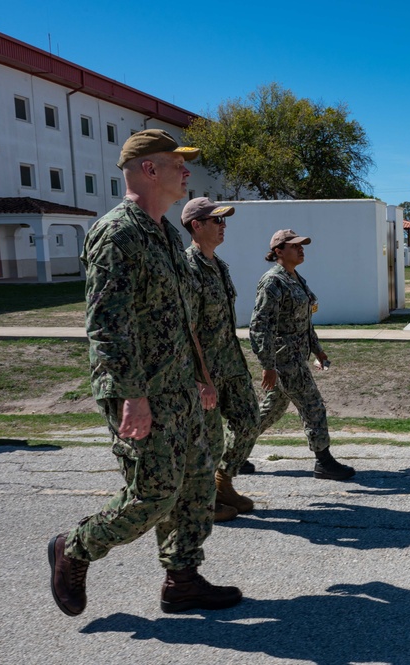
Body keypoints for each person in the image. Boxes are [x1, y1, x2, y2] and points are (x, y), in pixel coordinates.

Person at [47, 129, 241, 617]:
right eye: (177, 164)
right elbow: (106, 325)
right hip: (141, 392)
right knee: (153, 494)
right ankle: (74, 547)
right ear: (149, 170)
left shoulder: (167, 233)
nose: (186, 171)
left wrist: (201, 376)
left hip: (180, 386)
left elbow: (180, 316)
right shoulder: (118, 233)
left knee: (196, 485)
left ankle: (182, 580)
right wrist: (131, 396)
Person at [251, 229, 355, 481]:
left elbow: (304, 322)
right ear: (278, 251)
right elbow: (259, 326)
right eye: (295, 246)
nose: (301, 249)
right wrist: (268, 365)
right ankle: (324, 461)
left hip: (297, 356)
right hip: (284, 360)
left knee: (270, 411)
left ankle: (233, 453)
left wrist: (317, 349)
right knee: (313, 406)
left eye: (302, 245)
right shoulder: (273, 281)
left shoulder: (295, 278)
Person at [181, 197, 261, 522]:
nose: (223, 226)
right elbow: (190, 328)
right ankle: (202, 501)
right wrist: (203, 380)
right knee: (211, 441)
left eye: (224, 220)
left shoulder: (219, 265)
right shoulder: (187, 268)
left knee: (249, 421)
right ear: (196, 225)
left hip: (231, 364)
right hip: (206, 371)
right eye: (217, 221)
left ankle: (222, 481)